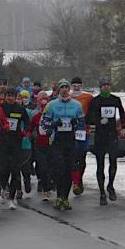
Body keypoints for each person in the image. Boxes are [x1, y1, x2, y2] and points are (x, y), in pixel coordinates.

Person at [42, 79, 84, 210]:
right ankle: (59, 196)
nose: (65, 90)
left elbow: (82, 123)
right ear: (58, 90)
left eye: (66, 87)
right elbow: (44, 122)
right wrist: (54, 124)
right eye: (62, 88)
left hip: (70, 140)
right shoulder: (51, 105)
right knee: (58, 169)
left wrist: (75, 124)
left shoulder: (76, 105)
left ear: (69, 89)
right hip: (57, 140)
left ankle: (65, 198)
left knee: (68, 169)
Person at [86, 78, 125, 205]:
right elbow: (88, 118)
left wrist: (123, 126)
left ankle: (110, 186)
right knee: (100, 165)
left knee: (113, 162)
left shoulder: (115, 99)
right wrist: (98, 121)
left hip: (112, 135)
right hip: (100, 136)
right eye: (103, 85)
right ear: (100, 87)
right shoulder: (96, 101)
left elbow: (122, 113)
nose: (106, 87)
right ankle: (102, 192)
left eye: (108, 85)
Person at [0, 87, 31, 209]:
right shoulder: (0, 108)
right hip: (2, 143)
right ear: (5, 96)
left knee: (15, 171)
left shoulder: (20, 109)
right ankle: (3, 187)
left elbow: (27, 122)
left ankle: (11, 198)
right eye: (8, 95)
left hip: (16, 143)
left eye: (12, 96)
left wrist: (26, 132)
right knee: (2, 169)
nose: (10, 98)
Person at [69, 77, 94, 195]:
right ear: (71, 86)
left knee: (82, 158)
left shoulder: (88, 97)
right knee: (73, 157)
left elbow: (93, 111)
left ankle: (80, 179)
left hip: (84, 131)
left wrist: (89, 120)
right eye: (74, 85)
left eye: (78, 85)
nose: (76, 87)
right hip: (70, 131)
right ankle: (75, 181)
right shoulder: (67, 97)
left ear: (82, 86)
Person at [29, 92, 52, 201]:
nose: (43, 109)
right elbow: (29, 129)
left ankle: (50, 184)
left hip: (52, 146)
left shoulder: (53, 117)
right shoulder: (36, 117)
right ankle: (45, 189)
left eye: (45, 107)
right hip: (39, 146)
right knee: (42, 167)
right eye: (42, 107)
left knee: (51, 168)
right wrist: (30, 136)